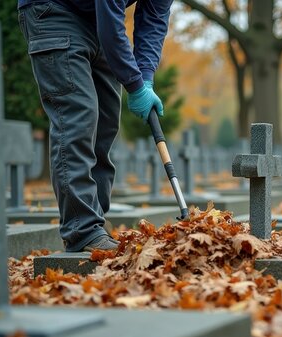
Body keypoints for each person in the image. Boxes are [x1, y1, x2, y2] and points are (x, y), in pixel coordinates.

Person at [17, 0, 173, 251]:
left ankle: (95, 226)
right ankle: (83, 231)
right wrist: (133, 84)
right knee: (78, 117)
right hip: (52, 9)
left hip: (95, 16)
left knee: (106, 121)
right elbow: (111, 20)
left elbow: (153, 21)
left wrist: (145, 79)